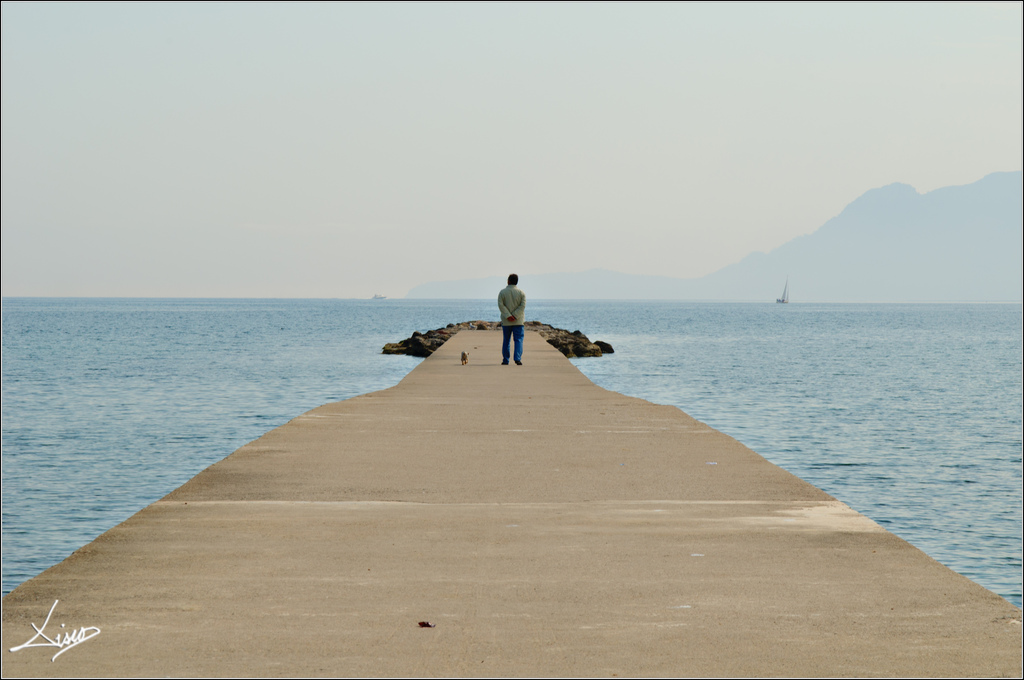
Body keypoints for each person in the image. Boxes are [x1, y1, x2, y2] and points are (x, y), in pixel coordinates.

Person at [498, 273, 526, 365]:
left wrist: (508, 315)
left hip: (506, 321)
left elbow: (501, 305)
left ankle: (506, 359)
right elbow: (522, 306)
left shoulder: (502, 292)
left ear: (508, 281)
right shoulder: (521, 293)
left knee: (506, 340)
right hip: (518, 321)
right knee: (518, 340)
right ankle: (517, 358)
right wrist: (515, 316)